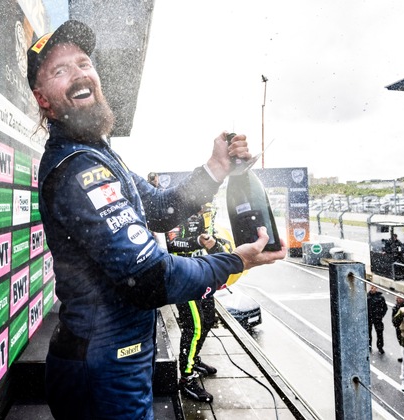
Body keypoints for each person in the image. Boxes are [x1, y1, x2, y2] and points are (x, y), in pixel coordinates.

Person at [28, 20, 287, 419]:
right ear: (43, 99)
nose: (79, 74)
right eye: (60, 70)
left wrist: (216, 167)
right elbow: (150, 278)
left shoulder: (98, 153)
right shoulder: (78, 167)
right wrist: (236, 261)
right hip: (101, 371)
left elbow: (160, 210)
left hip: (114, 361)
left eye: (83, 63)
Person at [166, 205, 226, 403]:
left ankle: (194, 359)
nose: (207, 205)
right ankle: (186, 378)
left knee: (208, 319)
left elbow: (205, 240)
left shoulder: (201, 216)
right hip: (181, 277)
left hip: (201, 273)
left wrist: (216, 243)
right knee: (194, 325)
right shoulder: (175, 211)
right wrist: (197, 241)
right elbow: (171, 243)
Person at [367, 285, 388, 354]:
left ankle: (380, 347)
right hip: (369, 318)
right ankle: (369, 346)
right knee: (368, 333)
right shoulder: (367, 297)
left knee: (379, 333)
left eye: (373, 287)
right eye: (371, 287)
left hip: (377, 318)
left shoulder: (380, 298)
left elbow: (385, 308)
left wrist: (381, 315)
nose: (372, 289)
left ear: (376, 288)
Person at [392, 295, 404, 362]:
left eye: (400, 298)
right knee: (401, 342)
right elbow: (394, 318)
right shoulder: (395, 307)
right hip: (399, 327)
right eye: (398, 298)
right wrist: (396, 324)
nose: (399, 299)